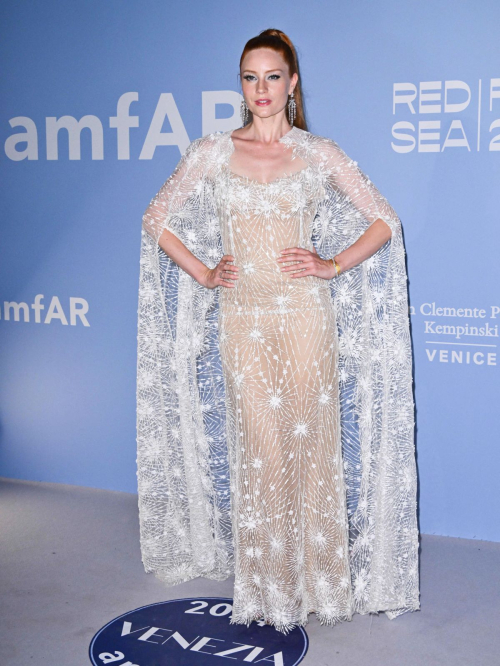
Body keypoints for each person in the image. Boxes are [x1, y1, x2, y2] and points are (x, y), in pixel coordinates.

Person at [136, 28, 420, 635]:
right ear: (240, 84)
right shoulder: (212, 151)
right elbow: (155, 219)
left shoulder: (318, 152)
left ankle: (317, 583)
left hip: (305, 317)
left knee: (310, 447)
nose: (260, 89)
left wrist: (332, 263)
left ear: (292, 84)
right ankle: (267, 587)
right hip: (244, 319)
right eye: (249, 76)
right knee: (260, 449)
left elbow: (384, 220)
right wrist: (206, 273)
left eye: (271, 76)